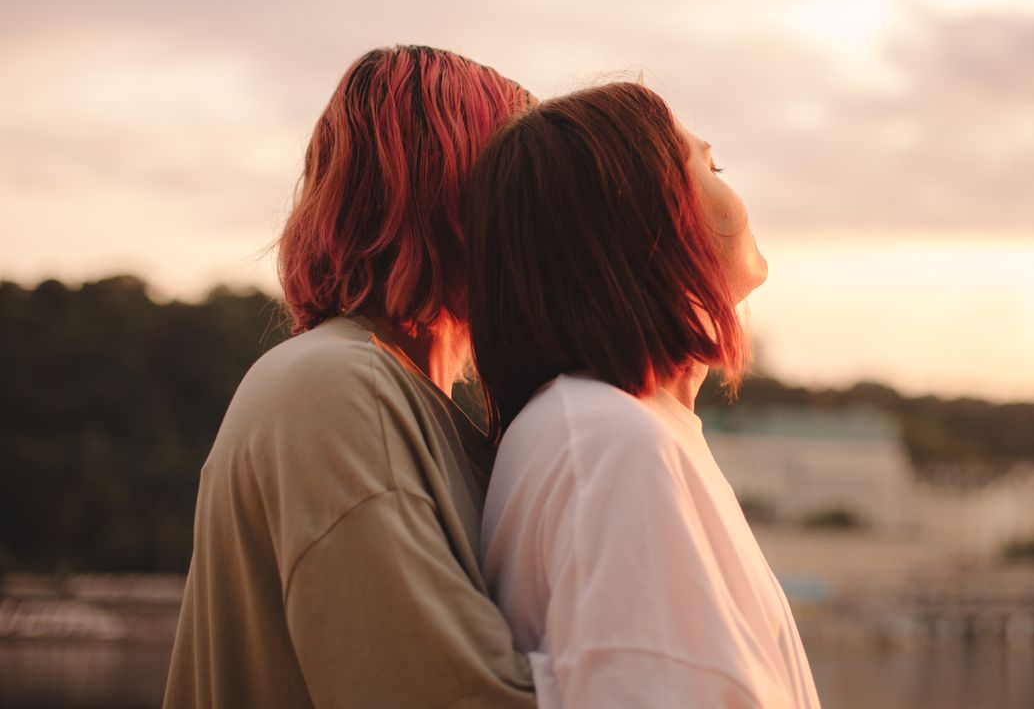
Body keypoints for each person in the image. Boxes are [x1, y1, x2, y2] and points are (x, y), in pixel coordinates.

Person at [164, 46, 537, 709]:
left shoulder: (394, 399)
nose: (548, 211)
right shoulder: (339, 388)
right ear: (459, 194)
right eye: (525, 177)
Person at [466, 82, 822, 708]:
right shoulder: (611, 444)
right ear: (654, 213)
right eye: (710, 166)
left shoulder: (605, 429)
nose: (736, 198)